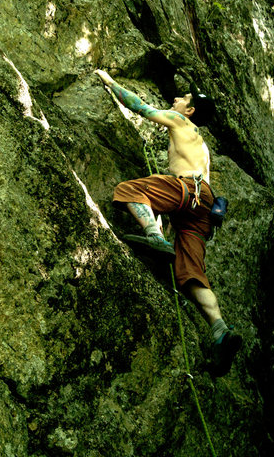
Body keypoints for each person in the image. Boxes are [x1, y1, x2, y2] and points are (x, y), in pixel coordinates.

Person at [95, 69, 242, 376]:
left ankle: (154, 236)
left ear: (189, 110)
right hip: (203, 206)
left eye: (183, 98)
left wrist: (109, 82)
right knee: (190, 273)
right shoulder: (202, 146)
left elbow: (141, 107)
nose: (175, 98)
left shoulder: (180, 121)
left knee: (131, 190)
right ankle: (220, 330)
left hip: (187, 190)